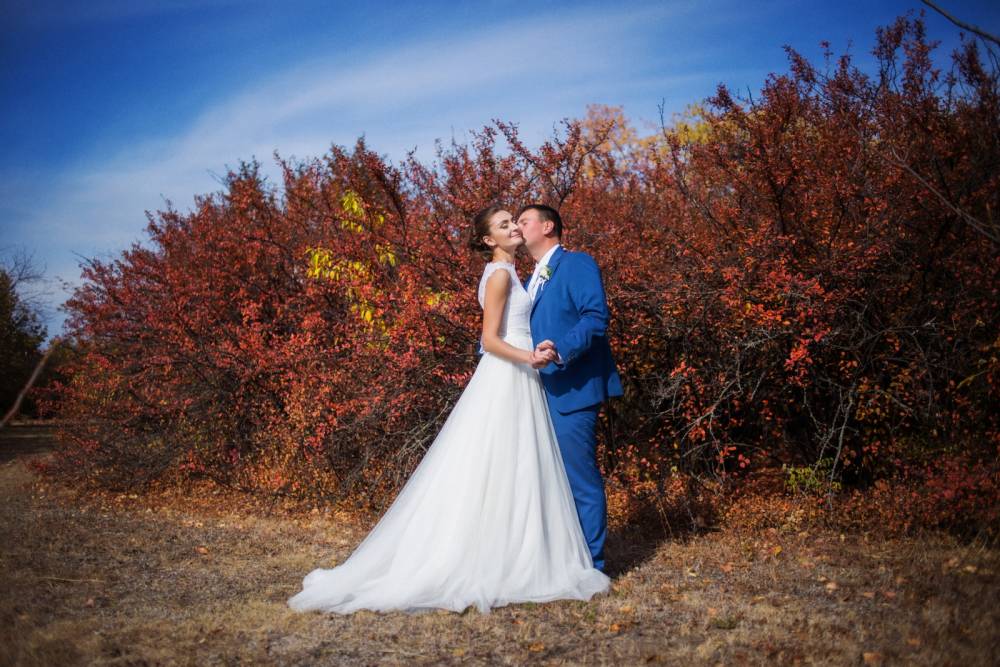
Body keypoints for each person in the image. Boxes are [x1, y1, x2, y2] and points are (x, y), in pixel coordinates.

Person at [286, 205, 610, 615]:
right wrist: (527, 357)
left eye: (518, 221)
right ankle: (508, 559)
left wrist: (544, 353)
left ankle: (556, 557)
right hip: (516, 374)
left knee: (532, 472)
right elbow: (490, 340)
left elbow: (583, 318)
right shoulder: (502, 275)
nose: (515, 226)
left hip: (538, 381)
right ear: (489, 239)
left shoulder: (542, 270)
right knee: (505, 469)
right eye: (506, 224)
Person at [515, 204, 623, 573]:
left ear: (547, 226)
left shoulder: (576, 263)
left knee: (579, 479)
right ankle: (556, 558)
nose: (518, 226)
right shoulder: (529, 279)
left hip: (572, 388)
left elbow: (595, 317)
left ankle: (591, 566)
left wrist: (560, 350)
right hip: (535, 391)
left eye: (524, 220)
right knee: (544, 479)